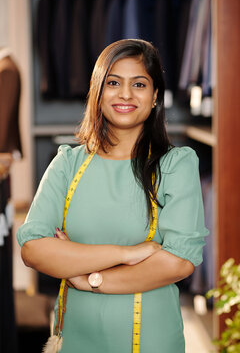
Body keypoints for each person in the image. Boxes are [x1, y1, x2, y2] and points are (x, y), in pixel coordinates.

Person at [17, 39, 209, 353]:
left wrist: (90, 280)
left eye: (139, 84)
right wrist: (125, 253)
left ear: (155, 96)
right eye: (114, 82)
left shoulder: (176, 165)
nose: (125, 94)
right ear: (98, 91)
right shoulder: (67, 164)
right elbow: (34, 249)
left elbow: (179, 261)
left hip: (149, 339)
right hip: (75, 336)